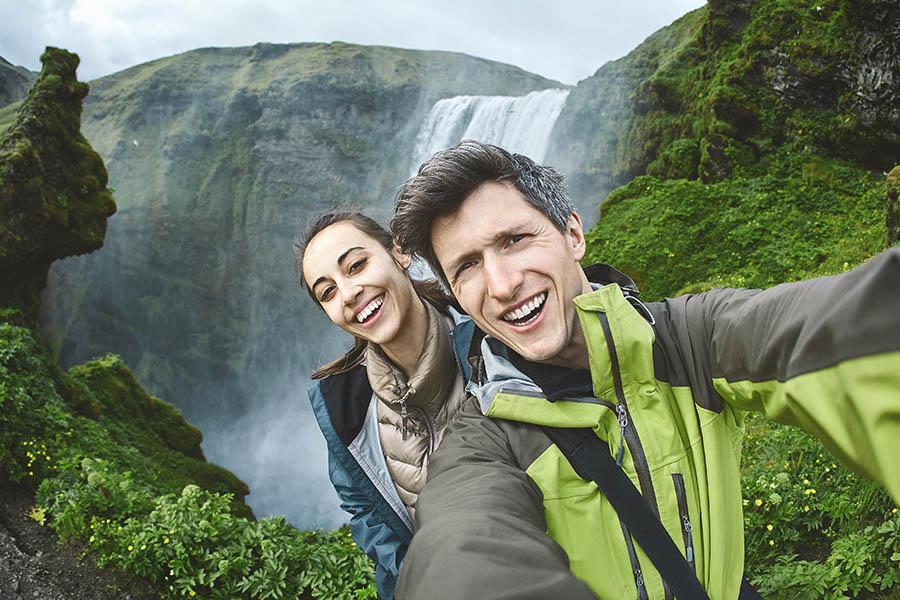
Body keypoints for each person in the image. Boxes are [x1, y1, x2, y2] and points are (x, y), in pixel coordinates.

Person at [389, 140, 900, 599]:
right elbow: (461, 546)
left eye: (514, 240)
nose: (500, 285)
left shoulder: (691, 340)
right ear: (455, 294)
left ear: (572, 234)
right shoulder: (481, 443)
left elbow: (826, 331)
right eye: (468, 267)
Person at [297, 211, 468, 600]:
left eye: (356, 265)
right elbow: (362, 507)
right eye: (328, 292)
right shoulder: (346, 409)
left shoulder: (491, 344)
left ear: (400, 252)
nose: (349, 293)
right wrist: (415, 573)